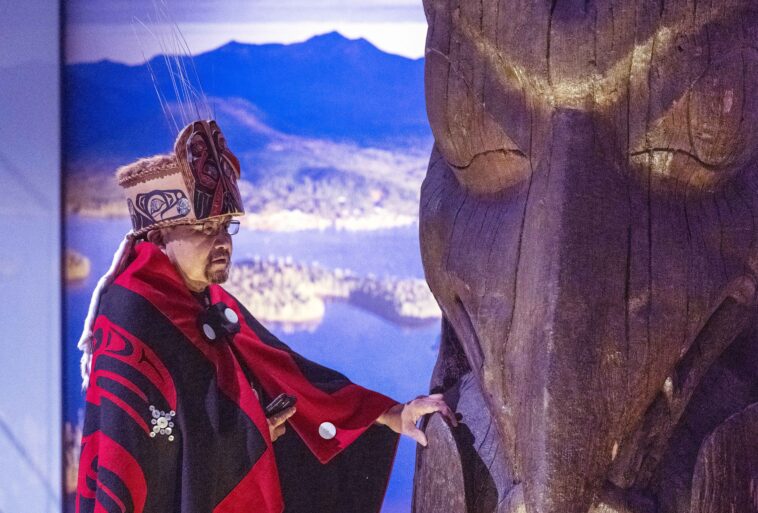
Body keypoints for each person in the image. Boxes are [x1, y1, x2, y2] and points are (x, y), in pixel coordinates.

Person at [75, 119, 456, 513]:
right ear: (159, 238)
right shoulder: (132, 312)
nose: (221, 241)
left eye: (227, 226)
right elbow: (142, 454)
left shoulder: (206, 298)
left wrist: (391, 414)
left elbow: (289, 375)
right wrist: (248, 434)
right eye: (205, 228)